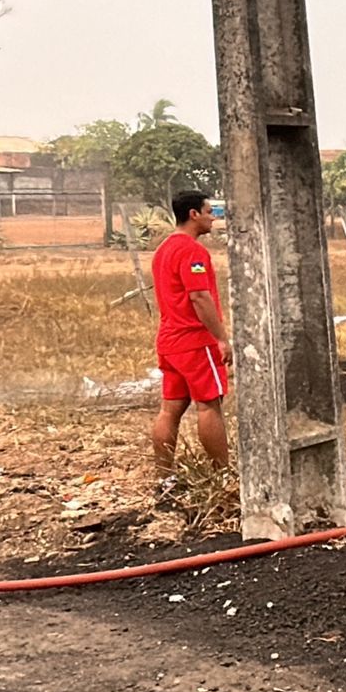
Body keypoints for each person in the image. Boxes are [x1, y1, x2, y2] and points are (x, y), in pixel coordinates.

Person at [150, 190, 232, 478]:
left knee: (169, 410)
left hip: (170, 342)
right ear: (194, 214)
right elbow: (199, 297)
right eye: (210, 211)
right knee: (210, 406)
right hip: (195, 342)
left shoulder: (162, 250)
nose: (213, 217)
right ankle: (223, 476)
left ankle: (164, 477)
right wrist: (221, 338)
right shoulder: (192, 251)